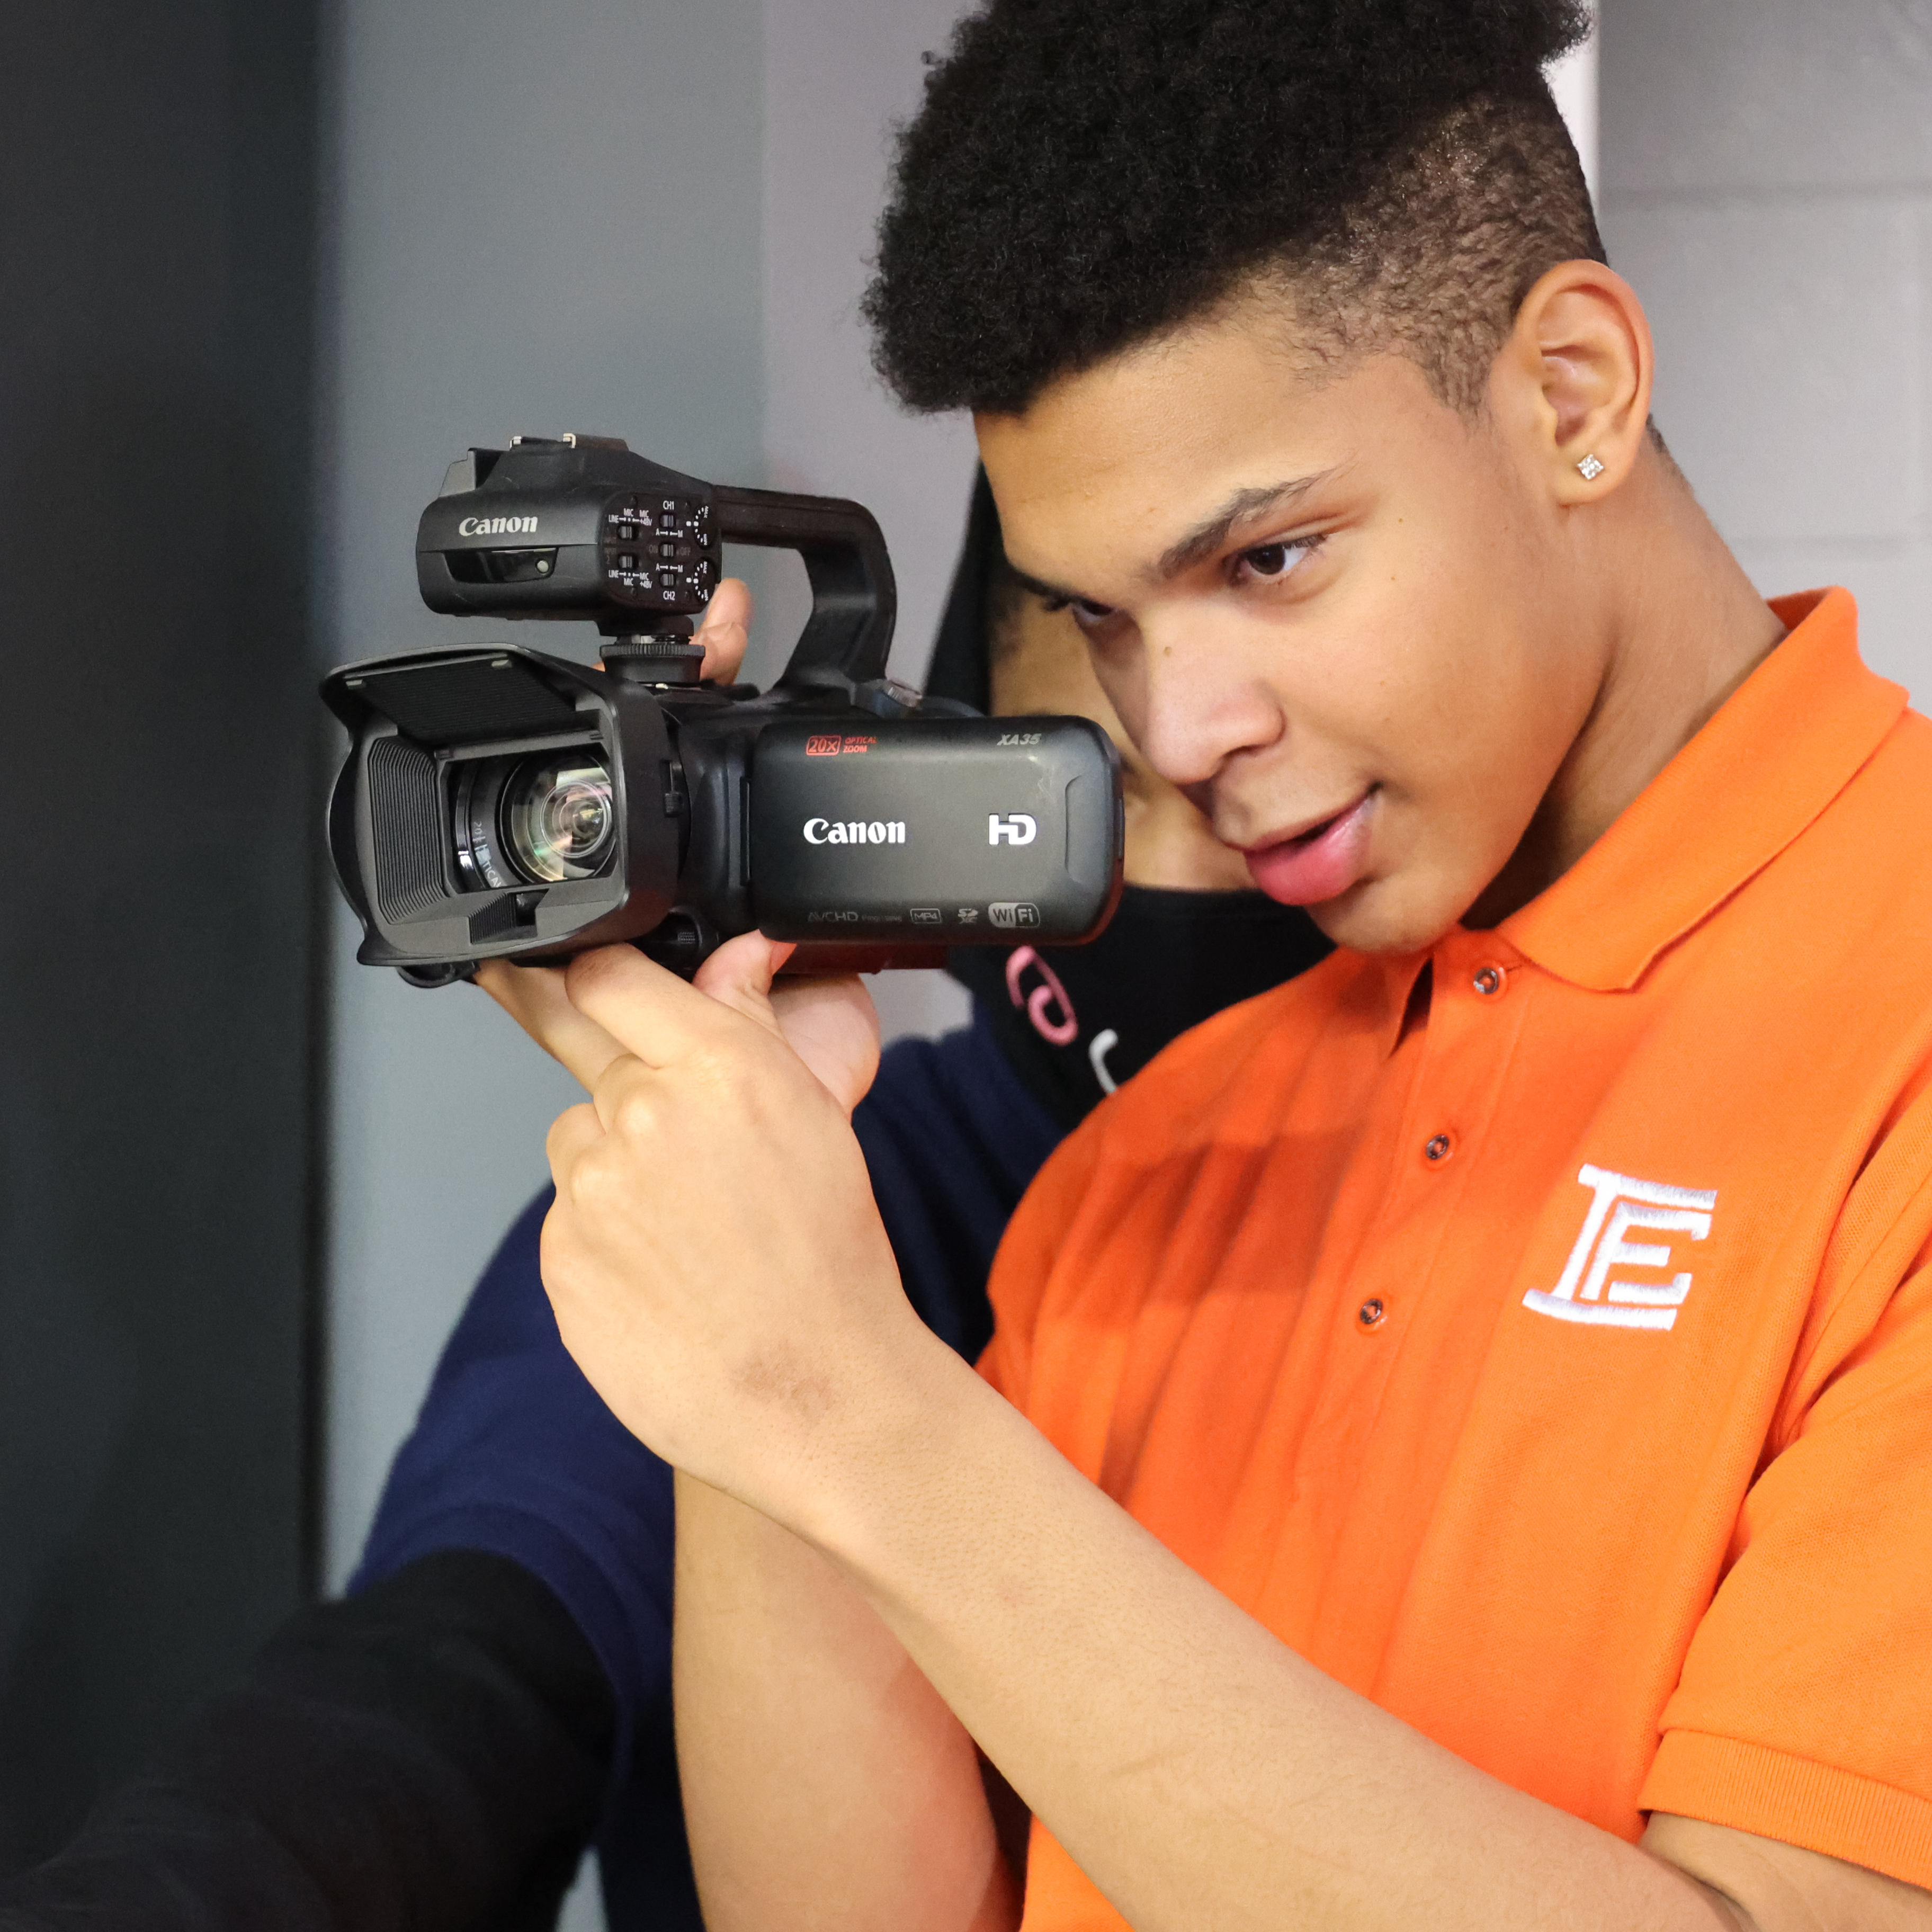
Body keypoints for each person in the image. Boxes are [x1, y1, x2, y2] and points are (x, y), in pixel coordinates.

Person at [476, 2, 1932, 1929]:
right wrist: (770, 1289)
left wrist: (861, 1410)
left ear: (1574, 394)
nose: (1177, 730)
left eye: (1267, 562)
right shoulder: (1164, 1154)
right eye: (1102, 619)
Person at [0, 479, 1328, 1931]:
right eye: (1102, 801)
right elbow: (445, 1678)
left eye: (1250, 807)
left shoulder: (1530, 1184)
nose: (1197, 852)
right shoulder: (761, 1182)